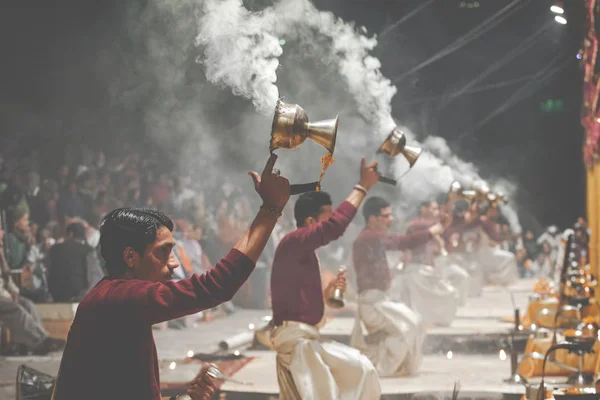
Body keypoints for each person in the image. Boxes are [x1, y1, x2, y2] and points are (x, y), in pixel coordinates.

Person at [51, 154, 290, 400]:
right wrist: (270, 211)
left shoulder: (115, 299)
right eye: (163, 252)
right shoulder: (120, 298)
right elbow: (216, 286)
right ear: (130, 257)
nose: (174, 263)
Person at [270, 157, 381, 400]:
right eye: (326, 218)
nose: (330, 226)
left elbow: (297, 306)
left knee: (360, 371)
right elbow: (335, 227)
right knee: (360, 370)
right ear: (310, 222)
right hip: (298, 343)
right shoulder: (293, 242)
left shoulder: (303, 251)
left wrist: (328, 295)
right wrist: (362, 187)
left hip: (304, 340)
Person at [349, 196, 438, 377]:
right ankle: (381, 370)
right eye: (386, 216)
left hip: (379, 300)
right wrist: (432, 232)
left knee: (415, 323)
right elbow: (403, 242)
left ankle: (396, 367)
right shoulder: (369, 237)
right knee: (408, 327)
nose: (391, 220)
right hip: (372, 303)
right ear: (373, 219)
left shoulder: (371, 238)